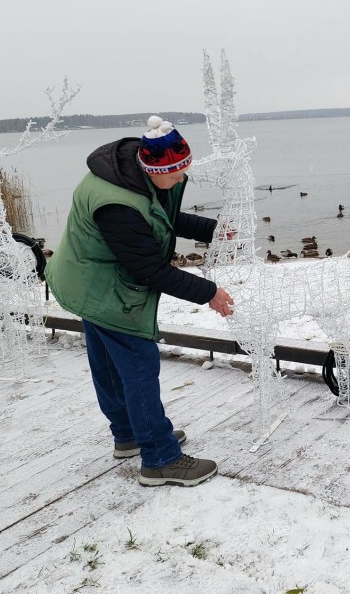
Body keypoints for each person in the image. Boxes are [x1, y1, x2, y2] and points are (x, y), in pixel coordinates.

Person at [45, 115, 235, 487]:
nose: (181, 179)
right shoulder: (118, 205)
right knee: (138, 367)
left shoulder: (134, 173)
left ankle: (129, 433)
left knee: (110, 362)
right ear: (153, 169)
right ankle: (160, 457)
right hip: (102, 287)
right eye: (177, 174)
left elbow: (161, 217)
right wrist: (209, 292)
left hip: (86, 278)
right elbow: (149, 270)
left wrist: (214, 230)